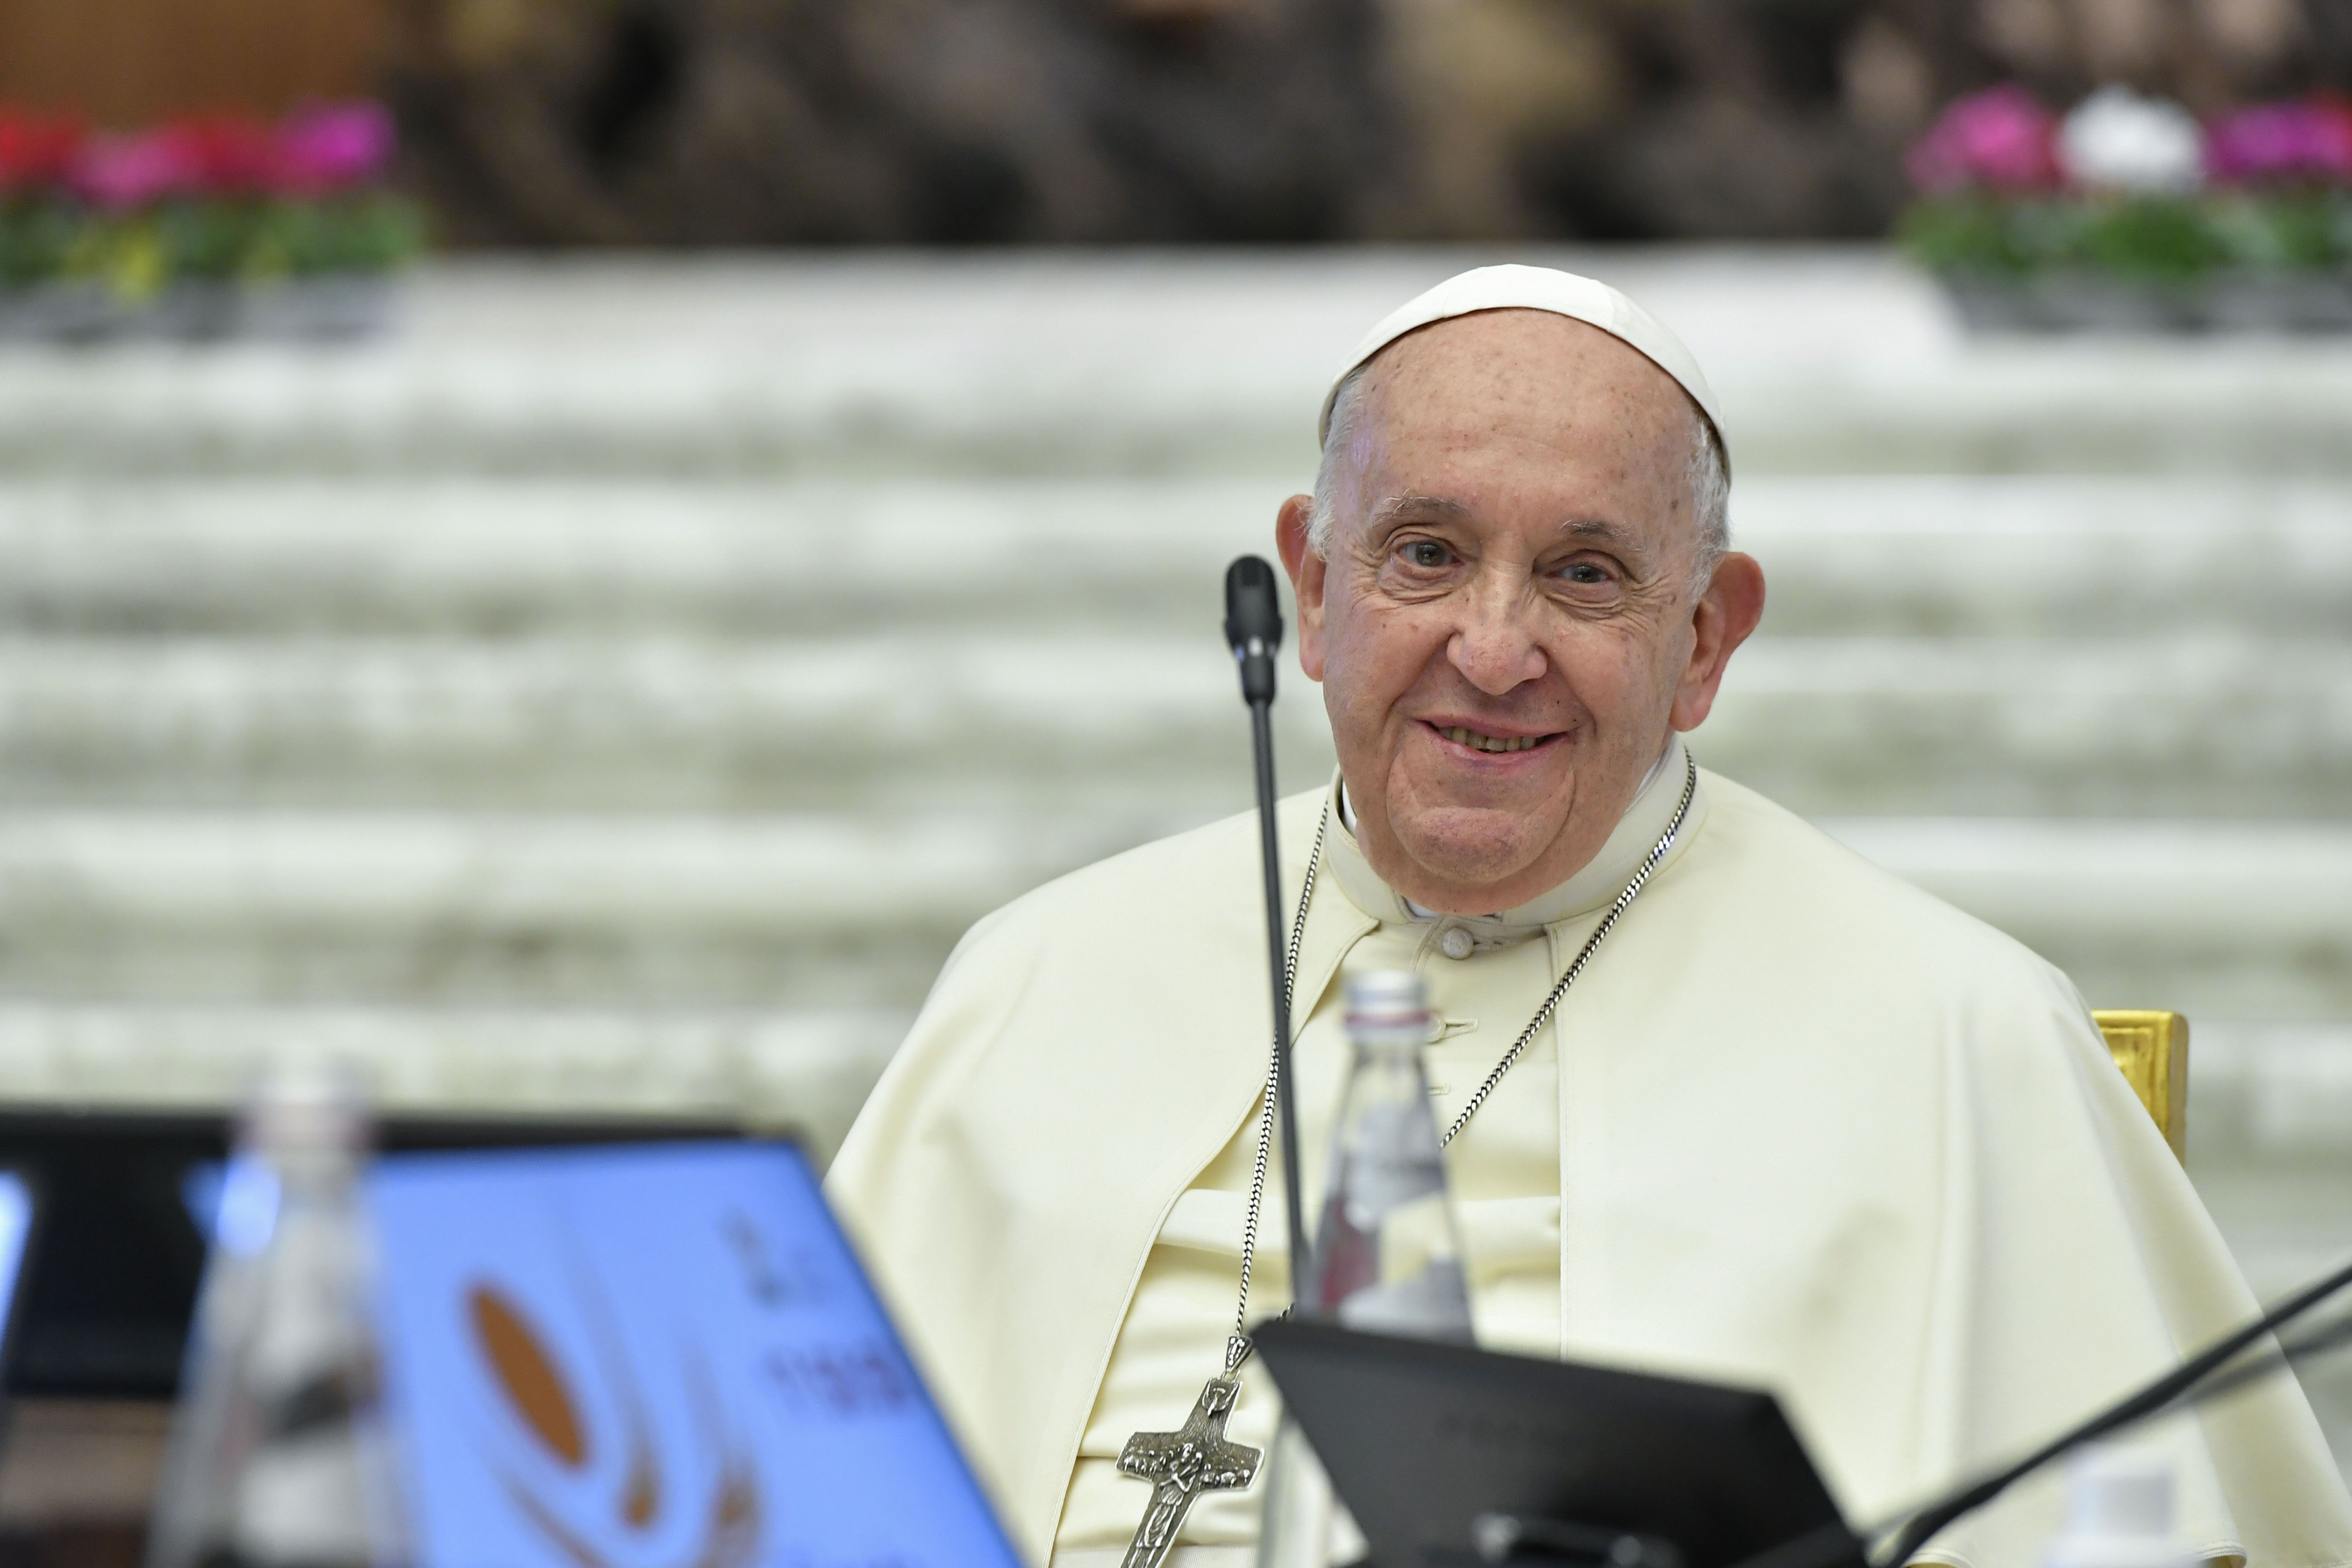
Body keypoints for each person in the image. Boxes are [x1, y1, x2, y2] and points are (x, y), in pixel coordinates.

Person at [828, 266, 2352, 1568]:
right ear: (1313, 590)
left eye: (1582, 574)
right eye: (1426, 555)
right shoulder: (1040, 977)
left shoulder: (1960, 1033)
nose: (1492, 651)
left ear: (1702, 641)